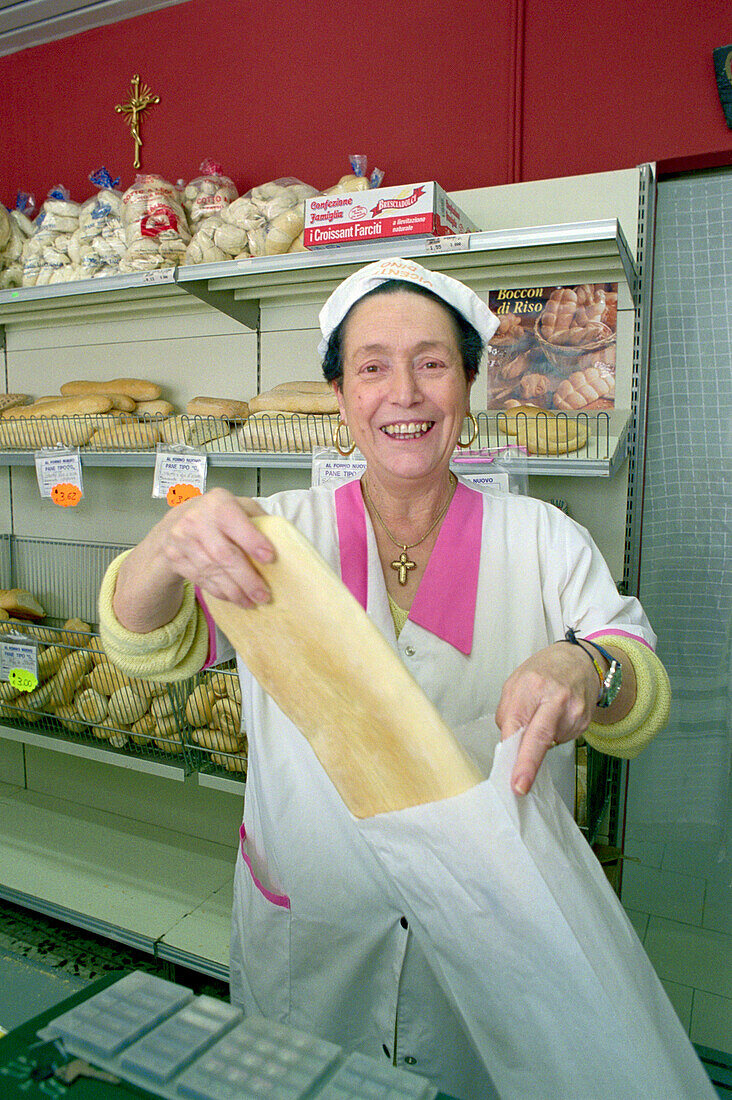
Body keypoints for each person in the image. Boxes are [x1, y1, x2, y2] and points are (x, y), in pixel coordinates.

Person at [98, 257, 670, 1100]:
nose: (403, 392)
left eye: (433, 363)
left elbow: (637, 688)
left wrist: (586, 663)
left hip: (488, 946)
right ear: (340, 398)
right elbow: (150, 645)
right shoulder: (277, 536)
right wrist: (164, 545)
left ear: (469, 387)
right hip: (315, 943)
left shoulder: (545, 540)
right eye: (371, 367)